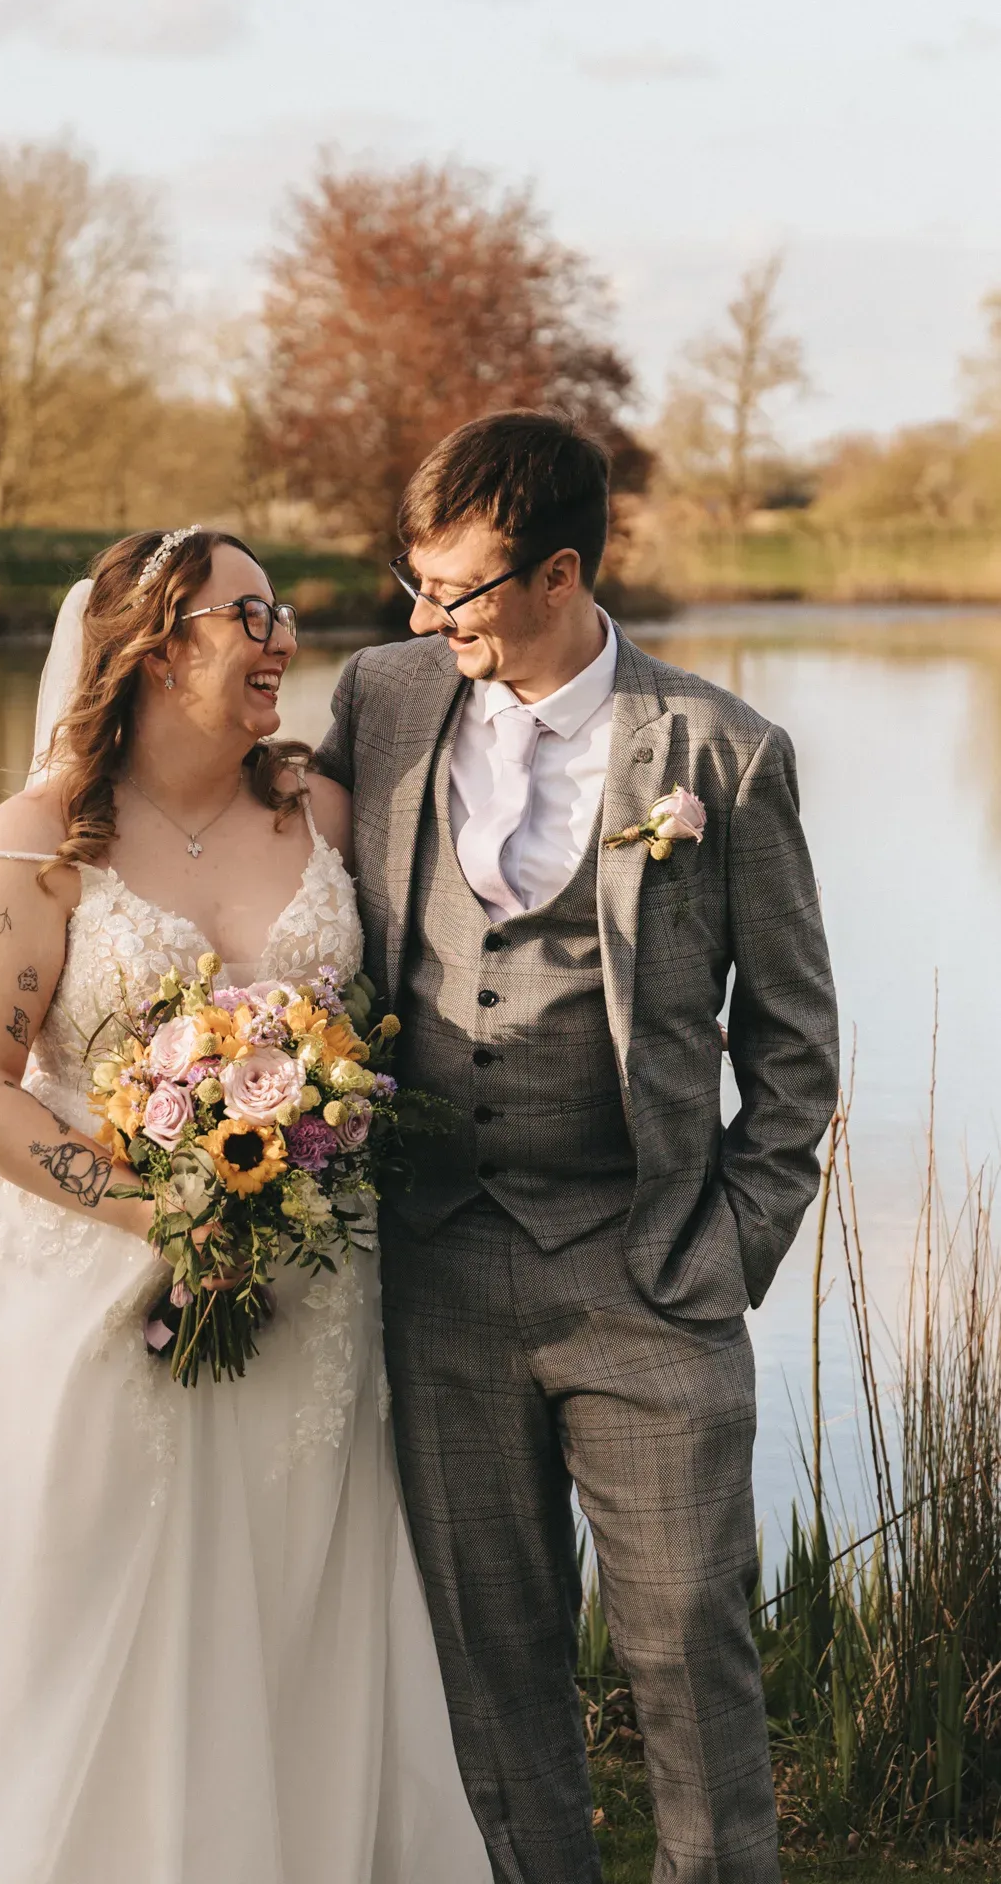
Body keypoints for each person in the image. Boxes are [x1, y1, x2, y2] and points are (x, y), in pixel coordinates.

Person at [0, 527, 491, 1884]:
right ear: (158, 640)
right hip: (97, 1299)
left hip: (311, 1310)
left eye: (283, 610)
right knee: (84, 1630)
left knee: (290, 1617)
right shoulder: (43, 839)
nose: (284, 640)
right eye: (252, 614)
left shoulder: (323, 816)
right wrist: (163, 1217)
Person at [317, 412, 840, 1884]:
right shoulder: (386, 698)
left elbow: (794, 1048)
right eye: (415, 584)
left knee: (687, 1653)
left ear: (559, 572)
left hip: (648, 1273)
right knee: (491, 1657)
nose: (430, 619)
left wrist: (724, 1252)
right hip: (440, 1265)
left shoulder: (723, 756)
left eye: (460, 591)